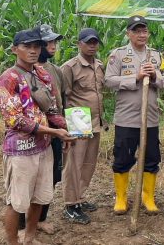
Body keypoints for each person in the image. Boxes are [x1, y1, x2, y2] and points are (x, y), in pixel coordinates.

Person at [0, 28, 74, 245]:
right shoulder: (8, 79)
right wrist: (54, 132)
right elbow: (16, 120)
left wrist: (69, 128)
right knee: (16, 203)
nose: (33, 51)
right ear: (14, 49)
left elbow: (51, 111)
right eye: (26, 46)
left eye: (36, 46)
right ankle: (13, 242)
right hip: (20, 150)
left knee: (40, 197)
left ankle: (29, 238)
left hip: (44, 148)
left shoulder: (42, 75)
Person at [104, 16, 164, 214]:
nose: (142, 35)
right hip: (127, 117)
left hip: (150, 118)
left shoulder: (157, 56)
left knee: (151, 158)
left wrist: (154, 75)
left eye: (144, 31)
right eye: (137, 31)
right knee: (122, 157)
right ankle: (121, 198)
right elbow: (109, 81)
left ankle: (147, 197)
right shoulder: (118, 55)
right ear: (128, 34)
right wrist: (136, 77)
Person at [17, 24, 65, 235]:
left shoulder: (52, 72)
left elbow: (58, 103)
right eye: (47, 42)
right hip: (27, 137)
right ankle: (20, 226)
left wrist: (65, 128)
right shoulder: (16, 76)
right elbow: (16, 117)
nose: (52, 46)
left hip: (53, 134)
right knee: (24, 183)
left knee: (51, 177)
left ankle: (39, 220)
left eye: (54, 42)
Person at [60, 28, 105, 224]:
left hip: (95, 121)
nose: (92, 45)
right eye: (88, 42)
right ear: (79, 44)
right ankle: (70, 204)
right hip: (78, 120)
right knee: (74, 164)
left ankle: (80, 197)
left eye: (95, 42)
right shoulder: (70, 67)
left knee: (89, 163)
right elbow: (64, 97)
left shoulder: (100, 65)